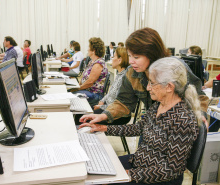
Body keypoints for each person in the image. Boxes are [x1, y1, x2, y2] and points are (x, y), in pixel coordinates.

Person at [79, 57, 200, 185]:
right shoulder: (158, 105)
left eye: (152, 83)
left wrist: (128, 175)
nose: (148, 88)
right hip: (139, 164)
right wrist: (104, 128)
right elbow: (139, 128)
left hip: (157, 179)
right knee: (94, 168)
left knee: (98, 179)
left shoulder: (183, 120)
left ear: (169, 87)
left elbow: (171, 170)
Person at [79, 27, 209, 129]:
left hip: (177, 127)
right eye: (129, 56)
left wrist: (201, 116)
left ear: (151, 54)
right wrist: (104, 115)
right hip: (152, 124)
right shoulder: (132, 73)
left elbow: (199, 96)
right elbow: (123, 102)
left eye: (136, 57)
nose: (130, 61)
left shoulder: (175, 69)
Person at [93, 47, 130, 125]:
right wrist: (102, 101)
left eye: (114, 56)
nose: (112, 59)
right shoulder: (120, 74)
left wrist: (101, 107)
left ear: (120, 60)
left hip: (117, 115)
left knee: (83, 117)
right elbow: (110, 93)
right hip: (109, 108)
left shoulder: (123, 78)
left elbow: (116, 105)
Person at [70, 37, 108, 107]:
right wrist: (78, 85)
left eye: (89, 47)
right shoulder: (91, 61)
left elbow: (90, 82)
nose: (87, 49)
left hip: (94, 94)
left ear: (93, 50)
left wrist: (78, 88)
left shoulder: (98, 64)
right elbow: (84, 78)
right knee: (70, 92)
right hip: (88, 91)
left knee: (70, 96)